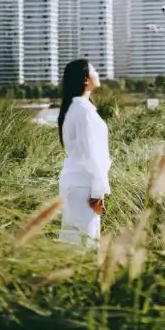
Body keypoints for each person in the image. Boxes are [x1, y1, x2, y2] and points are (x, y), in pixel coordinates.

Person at [56, 58, 110, 247]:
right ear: (86, 79)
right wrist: (98, 192)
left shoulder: (76, 108)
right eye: (94, 71)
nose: (98, 74)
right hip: (84, 188)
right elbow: (92, 155)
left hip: (78, 185)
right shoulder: (83, 111)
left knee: (75, 241)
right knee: (83, 245)